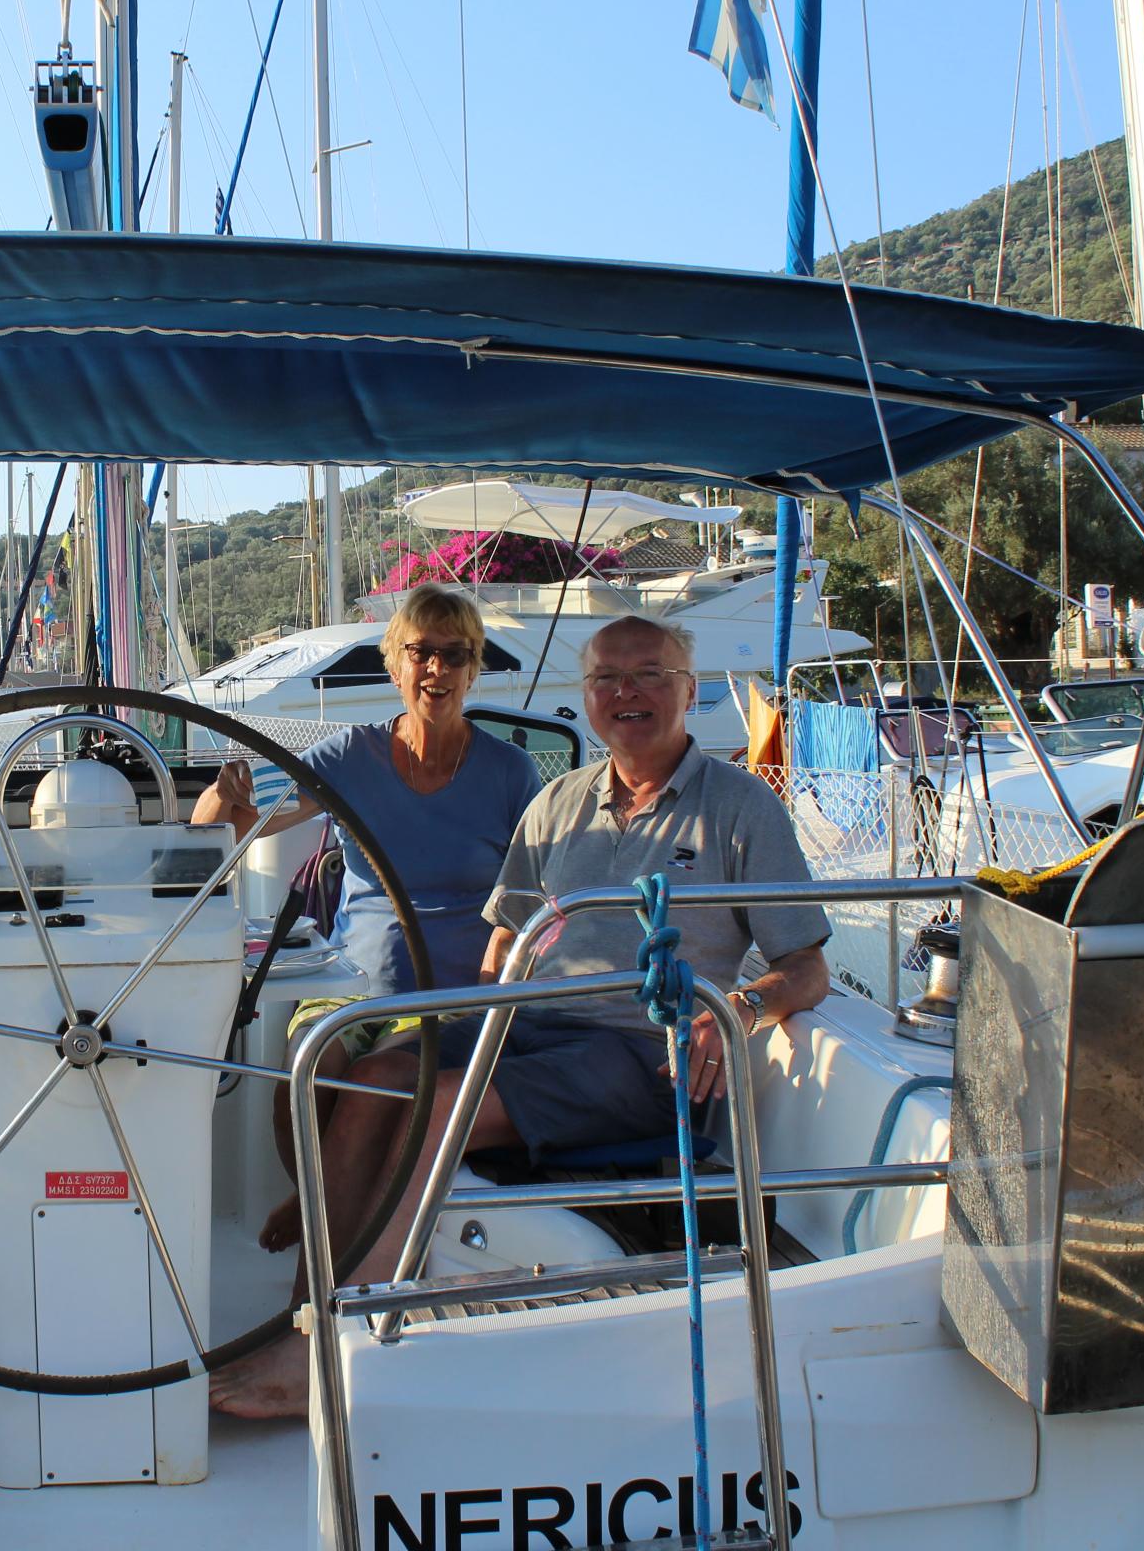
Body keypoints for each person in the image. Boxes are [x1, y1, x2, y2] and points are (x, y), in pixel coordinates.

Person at [211, 615, 831, 1418]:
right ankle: (307, 1317)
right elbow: (509, 925)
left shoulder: (741, 808)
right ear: (588, 697)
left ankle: (332, 1360)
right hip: (528, 1024)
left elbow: (806, 965)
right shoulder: (560, 802)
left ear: (687, 688)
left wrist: (740, 1006)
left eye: (648, 674)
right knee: (368, 1077)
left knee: (437, 1105)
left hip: (637, 1051)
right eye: (607, 677)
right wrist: (491, 986)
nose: (626, 692)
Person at [191, 584, 543, 1249]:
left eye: (454, 654)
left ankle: (336, 1240)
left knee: (368, 1081)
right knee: (305, 1072)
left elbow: (538, 898)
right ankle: (317, 1200)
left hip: (456, 998)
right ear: (394, 663)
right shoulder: (350, 757)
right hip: (353, 984)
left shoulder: (509, 773)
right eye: (420, 652)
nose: (436, 669)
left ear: (473, 669)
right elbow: (227, 833)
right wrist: (221, 792)